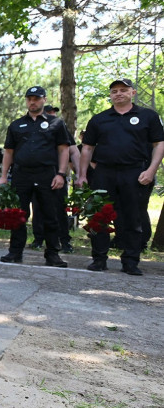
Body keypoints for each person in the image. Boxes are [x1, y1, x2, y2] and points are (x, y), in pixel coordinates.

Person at [76, 78, 164, 275]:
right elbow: (87, 148)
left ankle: (131, 261)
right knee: (99, 217)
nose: (118, 93)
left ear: (133, 93)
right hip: (104, 173)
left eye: (123, 90)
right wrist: (82, 175)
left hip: (135, 173)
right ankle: (99, 259)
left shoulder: (148, 116)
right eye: (114, 91)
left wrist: (151, 171)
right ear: (110, 95)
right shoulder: (99, 119)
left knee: (133, 217)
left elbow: (159, 144)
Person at [0, 86, 70, 267]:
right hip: (22, 175)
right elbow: (8, 152)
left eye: (36, 98)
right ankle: (15, 251)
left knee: (50, 215)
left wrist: (61, 174)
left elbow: (64, 150)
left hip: (47, 174)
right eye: (29, 98)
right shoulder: (16, 125)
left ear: (44, 99)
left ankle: (53, 254)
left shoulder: (56, 123)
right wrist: (3, 176)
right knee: (18, 215)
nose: (32, 101)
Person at [29, 104, 79, 253]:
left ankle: (64, 241)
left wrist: (79, 173)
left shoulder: (60, 127)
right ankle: (38, 239)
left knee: (59, 209)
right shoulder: (32, 128)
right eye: (49, 112)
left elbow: (74, 151)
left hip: (57, 174)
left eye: (54, 112)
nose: (52, 114)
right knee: (37, 209)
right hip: (36, 175)